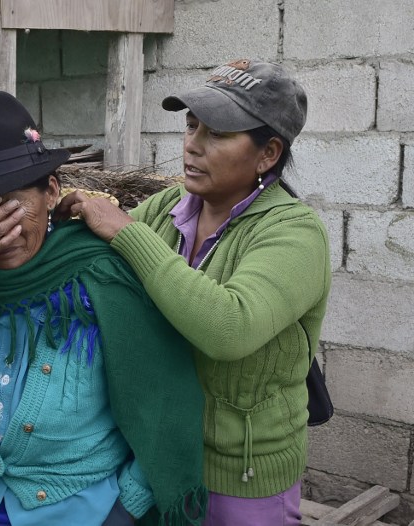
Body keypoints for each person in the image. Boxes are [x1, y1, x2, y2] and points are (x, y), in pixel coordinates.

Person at [0, 91, 208, 525]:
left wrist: (128, 504)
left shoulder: (97, 276)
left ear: (50, 192)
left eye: (11, 205)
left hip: (82, 512)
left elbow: (163, 399)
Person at [56, 59, 332, 526]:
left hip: (238, 477)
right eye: (190, 125)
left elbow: (228, 327)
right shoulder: (167, 209)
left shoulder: (294, 233)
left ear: (268, 154)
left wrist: (125, 232)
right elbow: (92, 267)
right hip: (156, 456)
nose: (192, 145)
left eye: (218, 134)